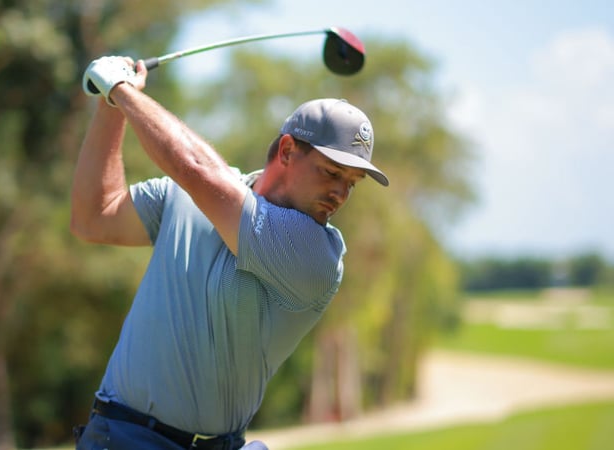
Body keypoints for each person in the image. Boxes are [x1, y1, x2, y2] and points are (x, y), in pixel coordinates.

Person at [71, 56, 389, 450]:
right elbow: (94, 217)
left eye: (352, 183)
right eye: (331, 173)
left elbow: (193, 168)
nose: (340, 195)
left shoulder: (317, 256)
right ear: (287, 152)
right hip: (123, 437)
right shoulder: (183, 197)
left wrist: (120, 88)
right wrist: (109, 106)